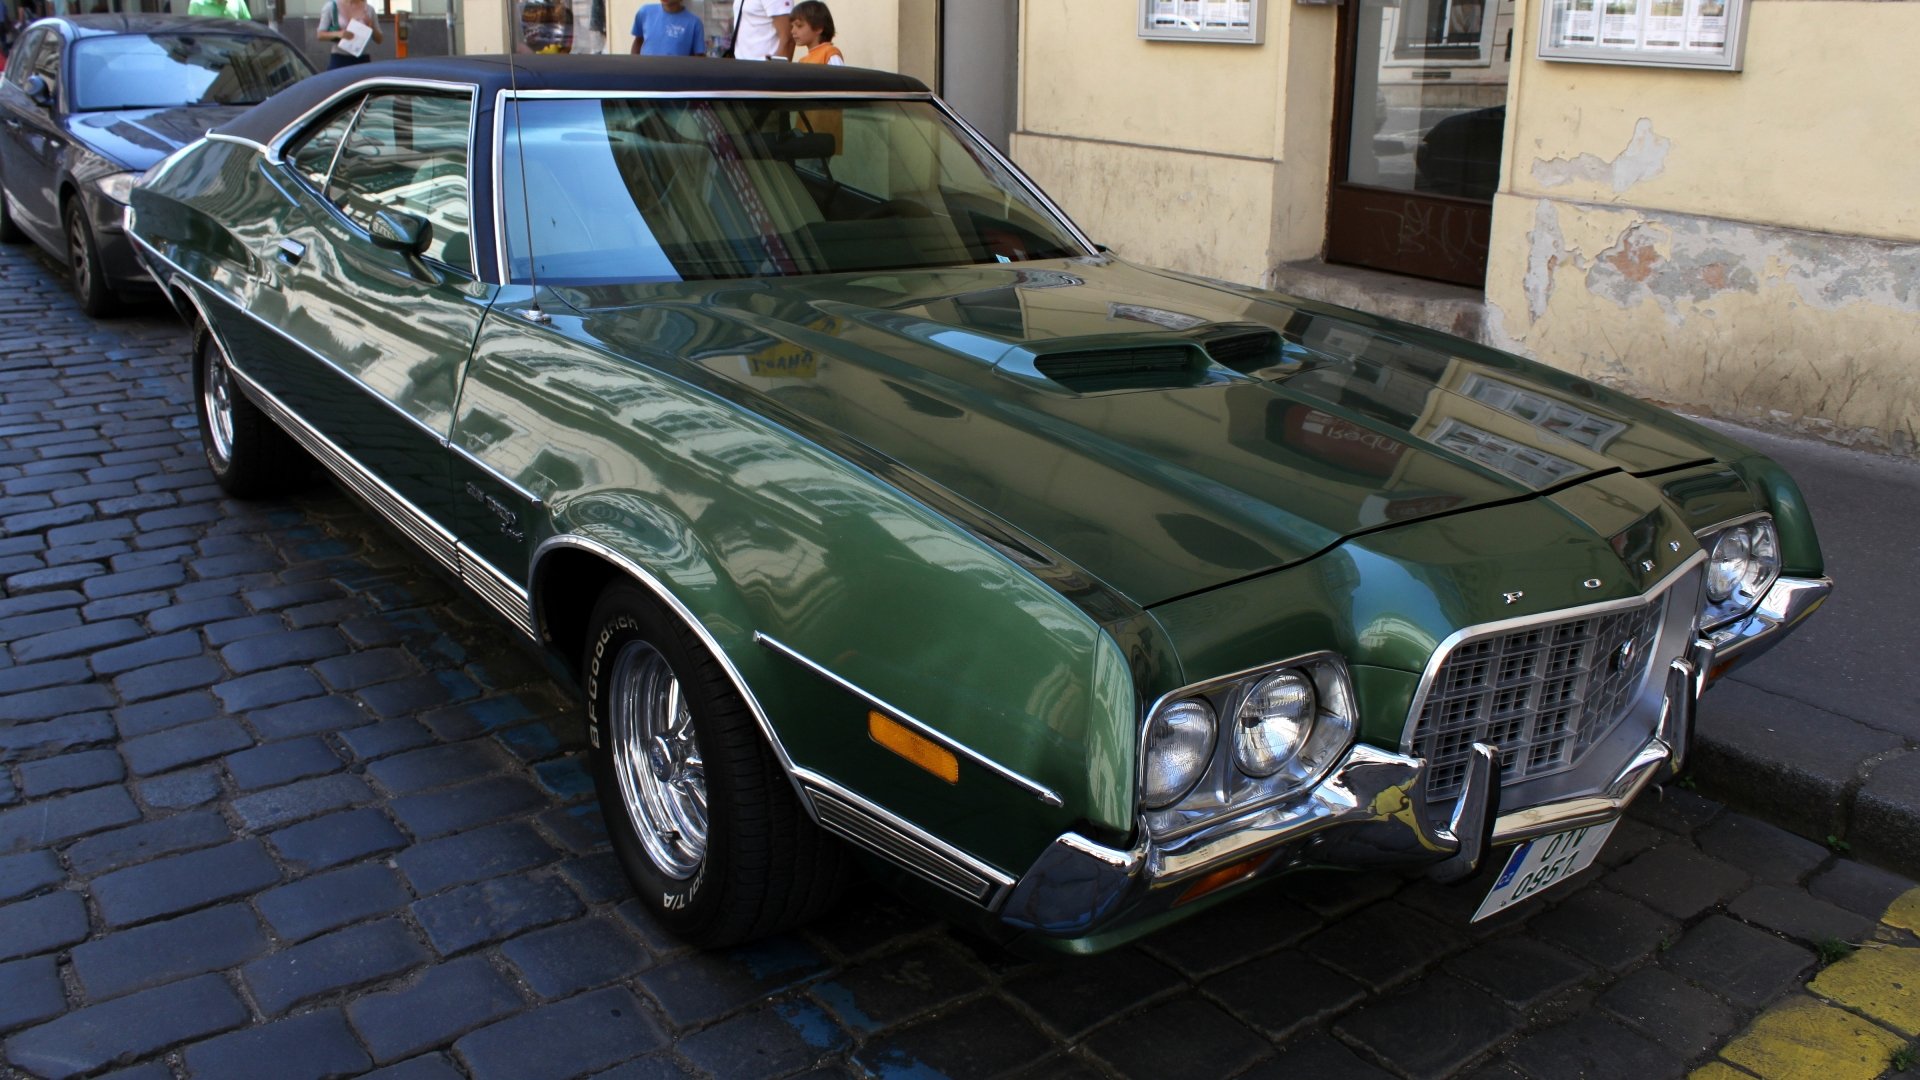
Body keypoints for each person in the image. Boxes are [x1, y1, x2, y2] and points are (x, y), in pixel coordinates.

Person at [317, 0, 382, 68]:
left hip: (362, 58)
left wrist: (371, 27)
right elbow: (320, 35)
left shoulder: (369, 9)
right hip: (339, 57)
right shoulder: (331, 7)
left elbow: (379, 39)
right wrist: (338, 34)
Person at [629, 0, 702, 56]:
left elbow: (699, 57)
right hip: (647, 72)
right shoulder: (645, 12)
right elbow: (638, 41)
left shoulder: (694, 23)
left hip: (677, 74)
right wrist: (633, 67)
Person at [790, 0, 840, 64]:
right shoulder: (802, 61)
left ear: (818, 28)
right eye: (792, 26)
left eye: (799, 25)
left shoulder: (829, 53)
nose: (792, 31)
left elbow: (838, 74)